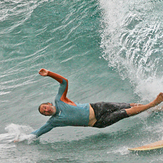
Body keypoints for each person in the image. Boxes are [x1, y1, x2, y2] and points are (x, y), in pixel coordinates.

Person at [31, 68, 163, 138]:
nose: (46, 110)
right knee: (125, 113)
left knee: (129, 106)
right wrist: (21, 138)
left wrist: (49, 74)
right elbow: (38, 132)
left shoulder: (60, 100)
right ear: (46, 116)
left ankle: (155, 109)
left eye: (45, 107)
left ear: (49, 103)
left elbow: (64, 81)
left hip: (98, 107)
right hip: (98, 122)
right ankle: (152, 104)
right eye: (44, 112)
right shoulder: (53, 122)